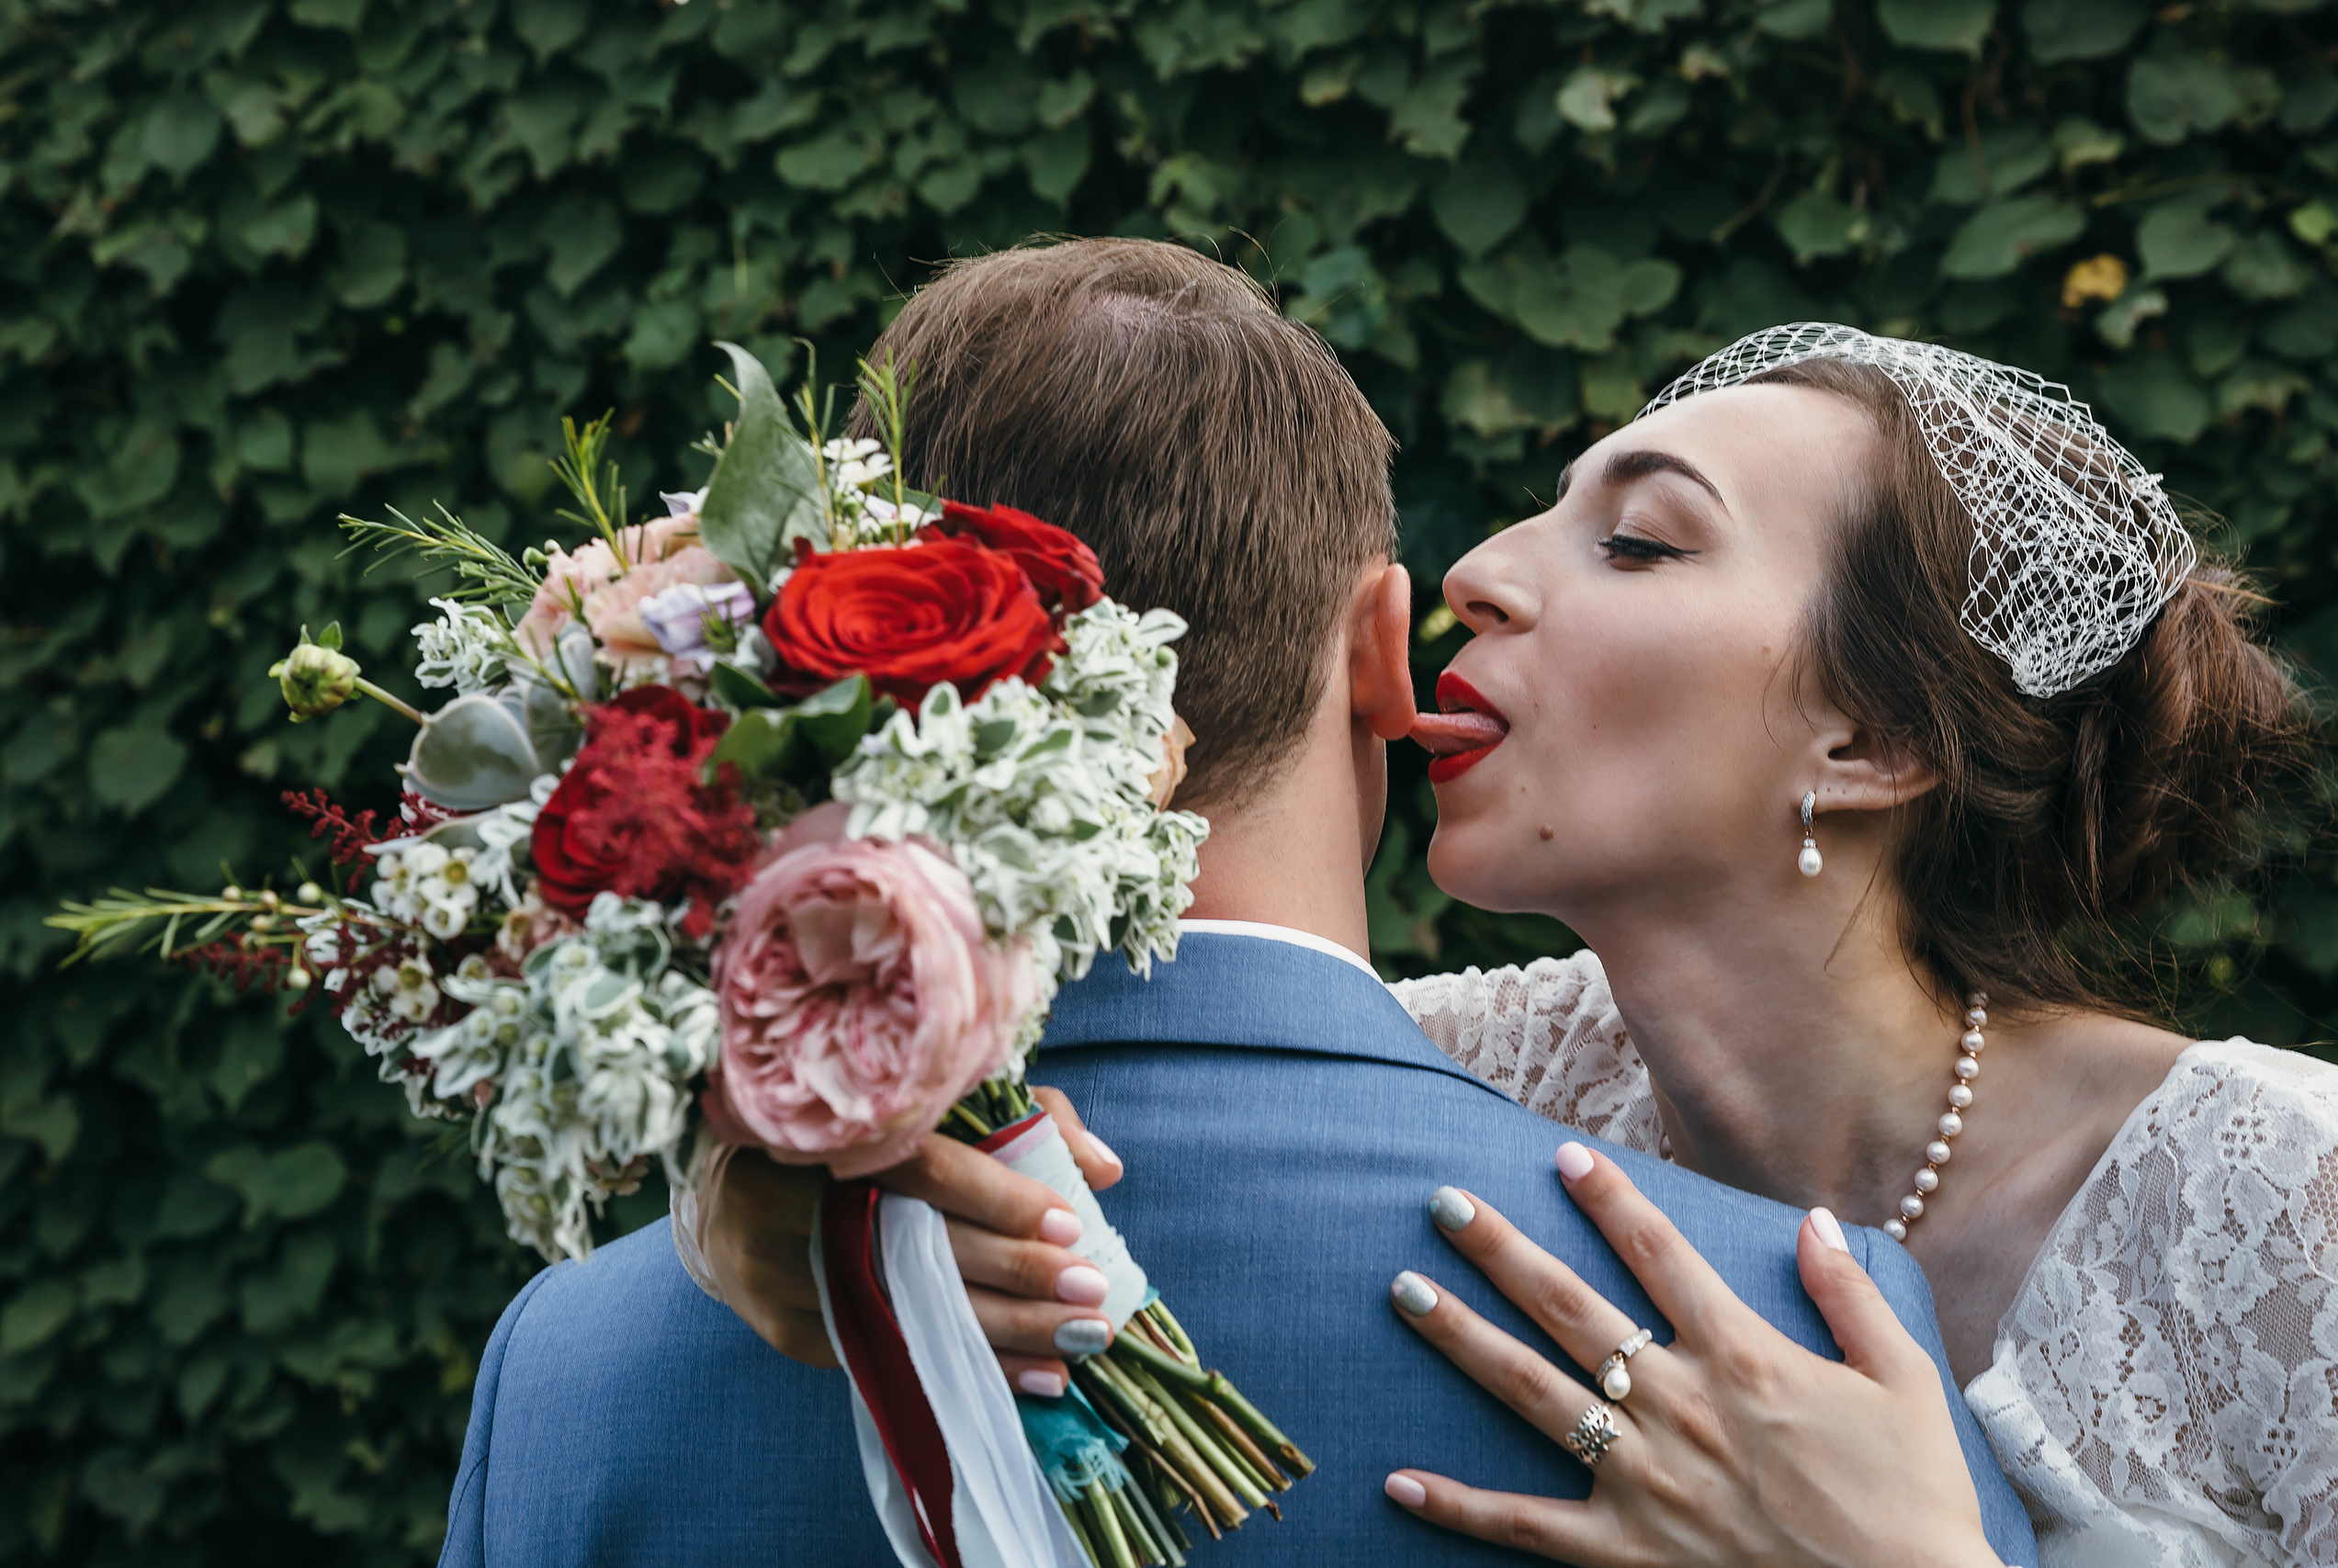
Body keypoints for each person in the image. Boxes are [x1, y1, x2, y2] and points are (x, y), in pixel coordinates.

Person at [435, 251, 2039, 1567]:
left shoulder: (579, 1368)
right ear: (1378, 650)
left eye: (1636, 542)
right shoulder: (1793, 1343)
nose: (1507, 576)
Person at [858, 324, 2338, 1564]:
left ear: (1875, 738)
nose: (1479, 571)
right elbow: (1123, 1107)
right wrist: (822, 1216)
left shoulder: (2286, 1192)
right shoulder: (1461, 1070)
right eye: (1545, 511)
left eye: (1640, 541)